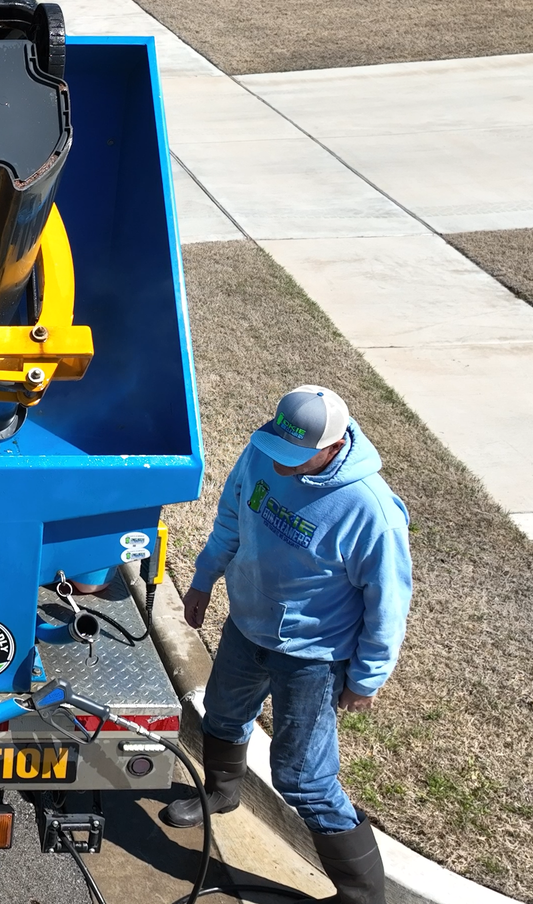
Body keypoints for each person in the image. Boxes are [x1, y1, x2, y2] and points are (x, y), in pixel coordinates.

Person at [170, 385, 412, 904]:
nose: (281, 465)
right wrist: (203, 577)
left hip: (314, 658)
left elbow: (388, 604)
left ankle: (361, 897)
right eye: (279, 450)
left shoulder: (370, 511)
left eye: (296, 458)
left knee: (304, 778)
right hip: (247, 626)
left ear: (334, 445)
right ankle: (221, 793)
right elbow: (232, 514)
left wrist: (367, 678)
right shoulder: (264, 451)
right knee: (222, 715)